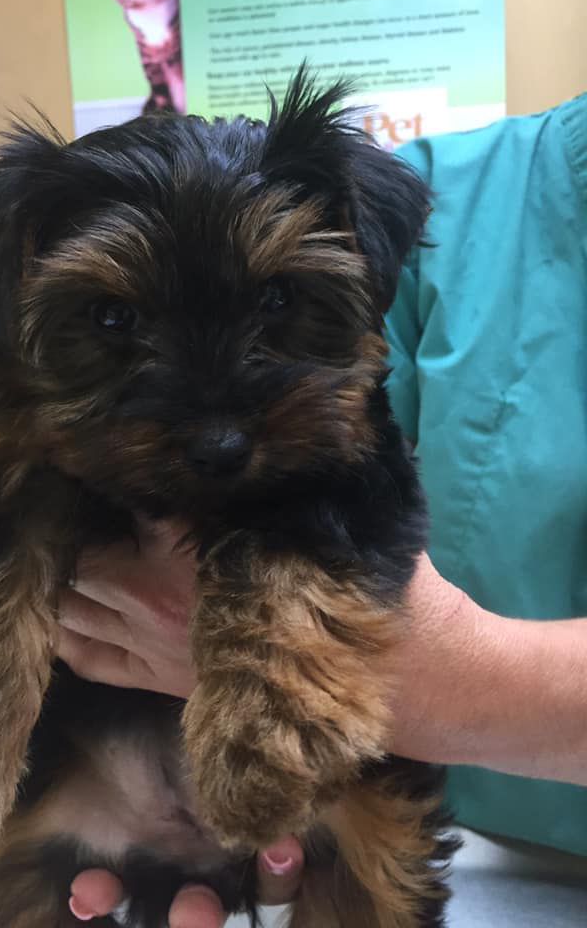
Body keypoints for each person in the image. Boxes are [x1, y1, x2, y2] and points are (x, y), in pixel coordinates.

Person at [57, 91, 587, 926]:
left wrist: (458, 684)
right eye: (119, 318)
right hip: (466, 850)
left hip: (389, 810)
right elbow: (346, 471)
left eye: (275, 308)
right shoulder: (441, 191)